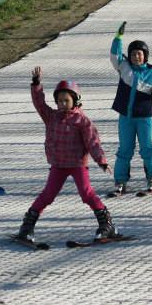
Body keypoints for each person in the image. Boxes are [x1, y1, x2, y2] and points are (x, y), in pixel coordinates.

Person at [15, 66, 117, 244]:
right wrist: (36, 84)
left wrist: (101, 160)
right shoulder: (51, 116)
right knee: (47, 195)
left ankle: (106, 225)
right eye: (59, 101)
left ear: (75, 101)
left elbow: (92, 142)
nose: (62, 104)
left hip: (77, 164)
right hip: (58, 165)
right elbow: (39, 104)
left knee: (86, 194)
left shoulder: (82, 121)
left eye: (66, 100)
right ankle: (27, 226)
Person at [109, 22, 152, 195]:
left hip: (144, 117)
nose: (136, 57)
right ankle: (120, 181)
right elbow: (114, 55)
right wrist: (118, 37)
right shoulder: (124, 67)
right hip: (126, 117)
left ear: (145, 56)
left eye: (139, 54)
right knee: (124, 150)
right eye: (133, 54)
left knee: (147, 148)